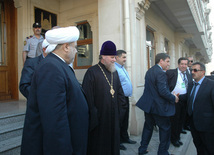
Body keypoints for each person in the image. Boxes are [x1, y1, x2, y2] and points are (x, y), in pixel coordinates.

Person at [21, 26, 89, 155]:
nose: (75, 51)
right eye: (74, 47)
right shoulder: (51, 68)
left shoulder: (60, 66)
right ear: (66, 47)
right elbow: (55, 122)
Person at [82, 41, 125, 155]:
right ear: (103, 57)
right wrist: (94, 116)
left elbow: (120, 94)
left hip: (114, 120)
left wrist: (119, 114)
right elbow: (87, 98)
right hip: (99, 122)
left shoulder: (114, 73)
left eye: (115, 57)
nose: (114, 60)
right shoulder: (92, 72)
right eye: (112, 57)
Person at [136, 53, 179, 155]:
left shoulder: (150, 71)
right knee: (165, 129)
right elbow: (162, 91)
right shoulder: (160, 73)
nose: (168, 64)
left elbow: (154, 90)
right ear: (161, 61)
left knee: (148, 127)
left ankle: (142, 149)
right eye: (167, 61)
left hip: (149, 106)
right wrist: (174, 98)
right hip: (158, 107)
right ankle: (163, 152)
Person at [180, 62, 214, 155]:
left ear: (203, 72)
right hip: (194, 124)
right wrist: (175, 96)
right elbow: (188, 97)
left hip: (207, 126)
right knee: (199, 147)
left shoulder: (211, 85)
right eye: (191, 70)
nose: (192, 72)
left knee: (209, 149)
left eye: (195, 70)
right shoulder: (191, 84)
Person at [166, 57, 191, 147]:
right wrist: (170, 95)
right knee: (175, 120)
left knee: (181, 120)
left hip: (185, 99)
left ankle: (177, 137)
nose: (183, 66)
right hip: (175, 99)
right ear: (178, 64)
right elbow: (165, 85)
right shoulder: (171, 72)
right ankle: (173, 139)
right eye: (182, 64)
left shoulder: (188, 74)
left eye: (185, 64)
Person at [115, 50, 136, 150]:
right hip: (119, 99)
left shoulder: (122, 68)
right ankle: (117, 142)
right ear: (117, 57)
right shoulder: (114, 68)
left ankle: (125, 138)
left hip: (126, 98)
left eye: (125, 57)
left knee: (125, 120)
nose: (125, 59)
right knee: (119, 121)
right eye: (123, 57)